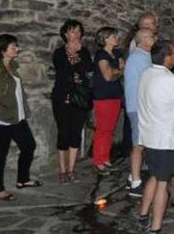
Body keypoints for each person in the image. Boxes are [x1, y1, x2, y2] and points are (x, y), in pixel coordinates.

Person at [0, 34, 40, 201]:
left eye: (16, 46)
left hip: (16, 116)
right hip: (0, 118)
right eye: (13, 46)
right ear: (3, 50)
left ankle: (23, 180)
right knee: (0, 152)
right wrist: (2, 105)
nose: (17, 49)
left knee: (28, 145)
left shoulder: (12, 66)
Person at [138, 40, 174, 233]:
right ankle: (156, 226)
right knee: (162, 183)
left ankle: (143, 214)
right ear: (167, 57)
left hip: (149, 137)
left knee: (154, 175)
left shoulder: (146, 73)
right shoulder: (170, 79)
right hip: (165, 139)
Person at [51, 19, 92, 184]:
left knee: (75, 133)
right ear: (66, 34)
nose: (76, 34)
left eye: (78, 31)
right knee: (63, 133)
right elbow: (64, 72)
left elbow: (88, 70)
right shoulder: (59, 53)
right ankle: (62, 170)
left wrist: (77, 56)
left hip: (80, 98)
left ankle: (71, 169)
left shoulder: (85, 52)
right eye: (72, 31)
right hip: (62, 98)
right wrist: (73, 56)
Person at [124, 28, 156, 197]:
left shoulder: (143, 55)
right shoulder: (138, 57)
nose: (155, 39)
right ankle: (136, 183)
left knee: (142, 142)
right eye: (152, 37)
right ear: (144, 39)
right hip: (137, 106)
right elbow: (149, 81)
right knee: (138, 144)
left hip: (140, 106)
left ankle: (132, 176)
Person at [92, 26, 125, 175]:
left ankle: (105, 158)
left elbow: (118, 71)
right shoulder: (101, 55)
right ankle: (98, 161)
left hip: (115, 94)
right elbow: (108, 76)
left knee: (110, 129)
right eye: (113, 36)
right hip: (103, 96)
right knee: (102, 129)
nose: (116, 38)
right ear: (105, 39)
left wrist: (116, 72)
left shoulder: (117, 53)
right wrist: (119, 71)